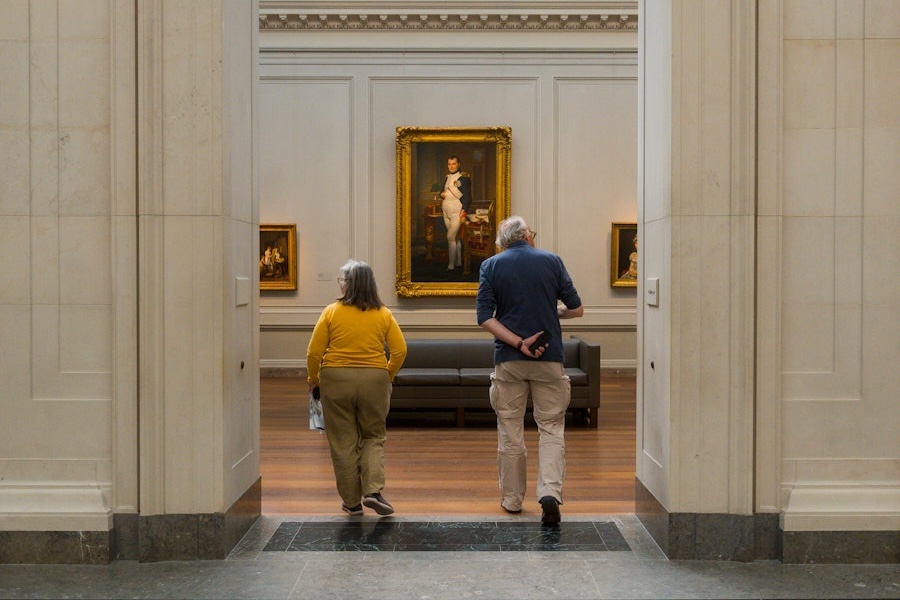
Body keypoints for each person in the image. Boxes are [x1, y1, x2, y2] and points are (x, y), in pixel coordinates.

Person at [475, 216, 584, 525]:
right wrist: (555, 312)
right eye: (531, 233)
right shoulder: (552, 261)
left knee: (510, 430)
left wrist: (519, 342)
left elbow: (484, 317)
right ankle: (549, 492)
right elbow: (577, 308)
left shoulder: (491, 266)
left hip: (509, 360)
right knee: (551, 427)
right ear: (524, 234)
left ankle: (511, 499)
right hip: (549, 359)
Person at [306, 259, 407, 516]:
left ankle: (351, 503)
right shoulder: (383, 313)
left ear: (348, 284)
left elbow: (314, 352)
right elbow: (400, 350)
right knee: (373, 436)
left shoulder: (331, 311)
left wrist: (313, 380)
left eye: (342, 280)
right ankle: (373, 491)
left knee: (342, 441)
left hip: (335, 379)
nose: (340, 284)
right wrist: (388, 375)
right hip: (374, 378)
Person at [439, 155, 472, 271]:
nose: (451, 166)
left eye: (453, 164)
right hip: (446, 209)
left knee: (450, 236)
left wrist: (463, 213)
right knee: (455, 237)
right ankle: (458, 262)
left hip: (456, 211)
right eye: (449, 164)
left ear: (458, 164)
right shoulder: (446, 177)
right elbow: (441, 191)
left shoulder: (464, 178)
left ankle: (450, 266)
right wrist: (441, 194)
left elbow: (467, 198)